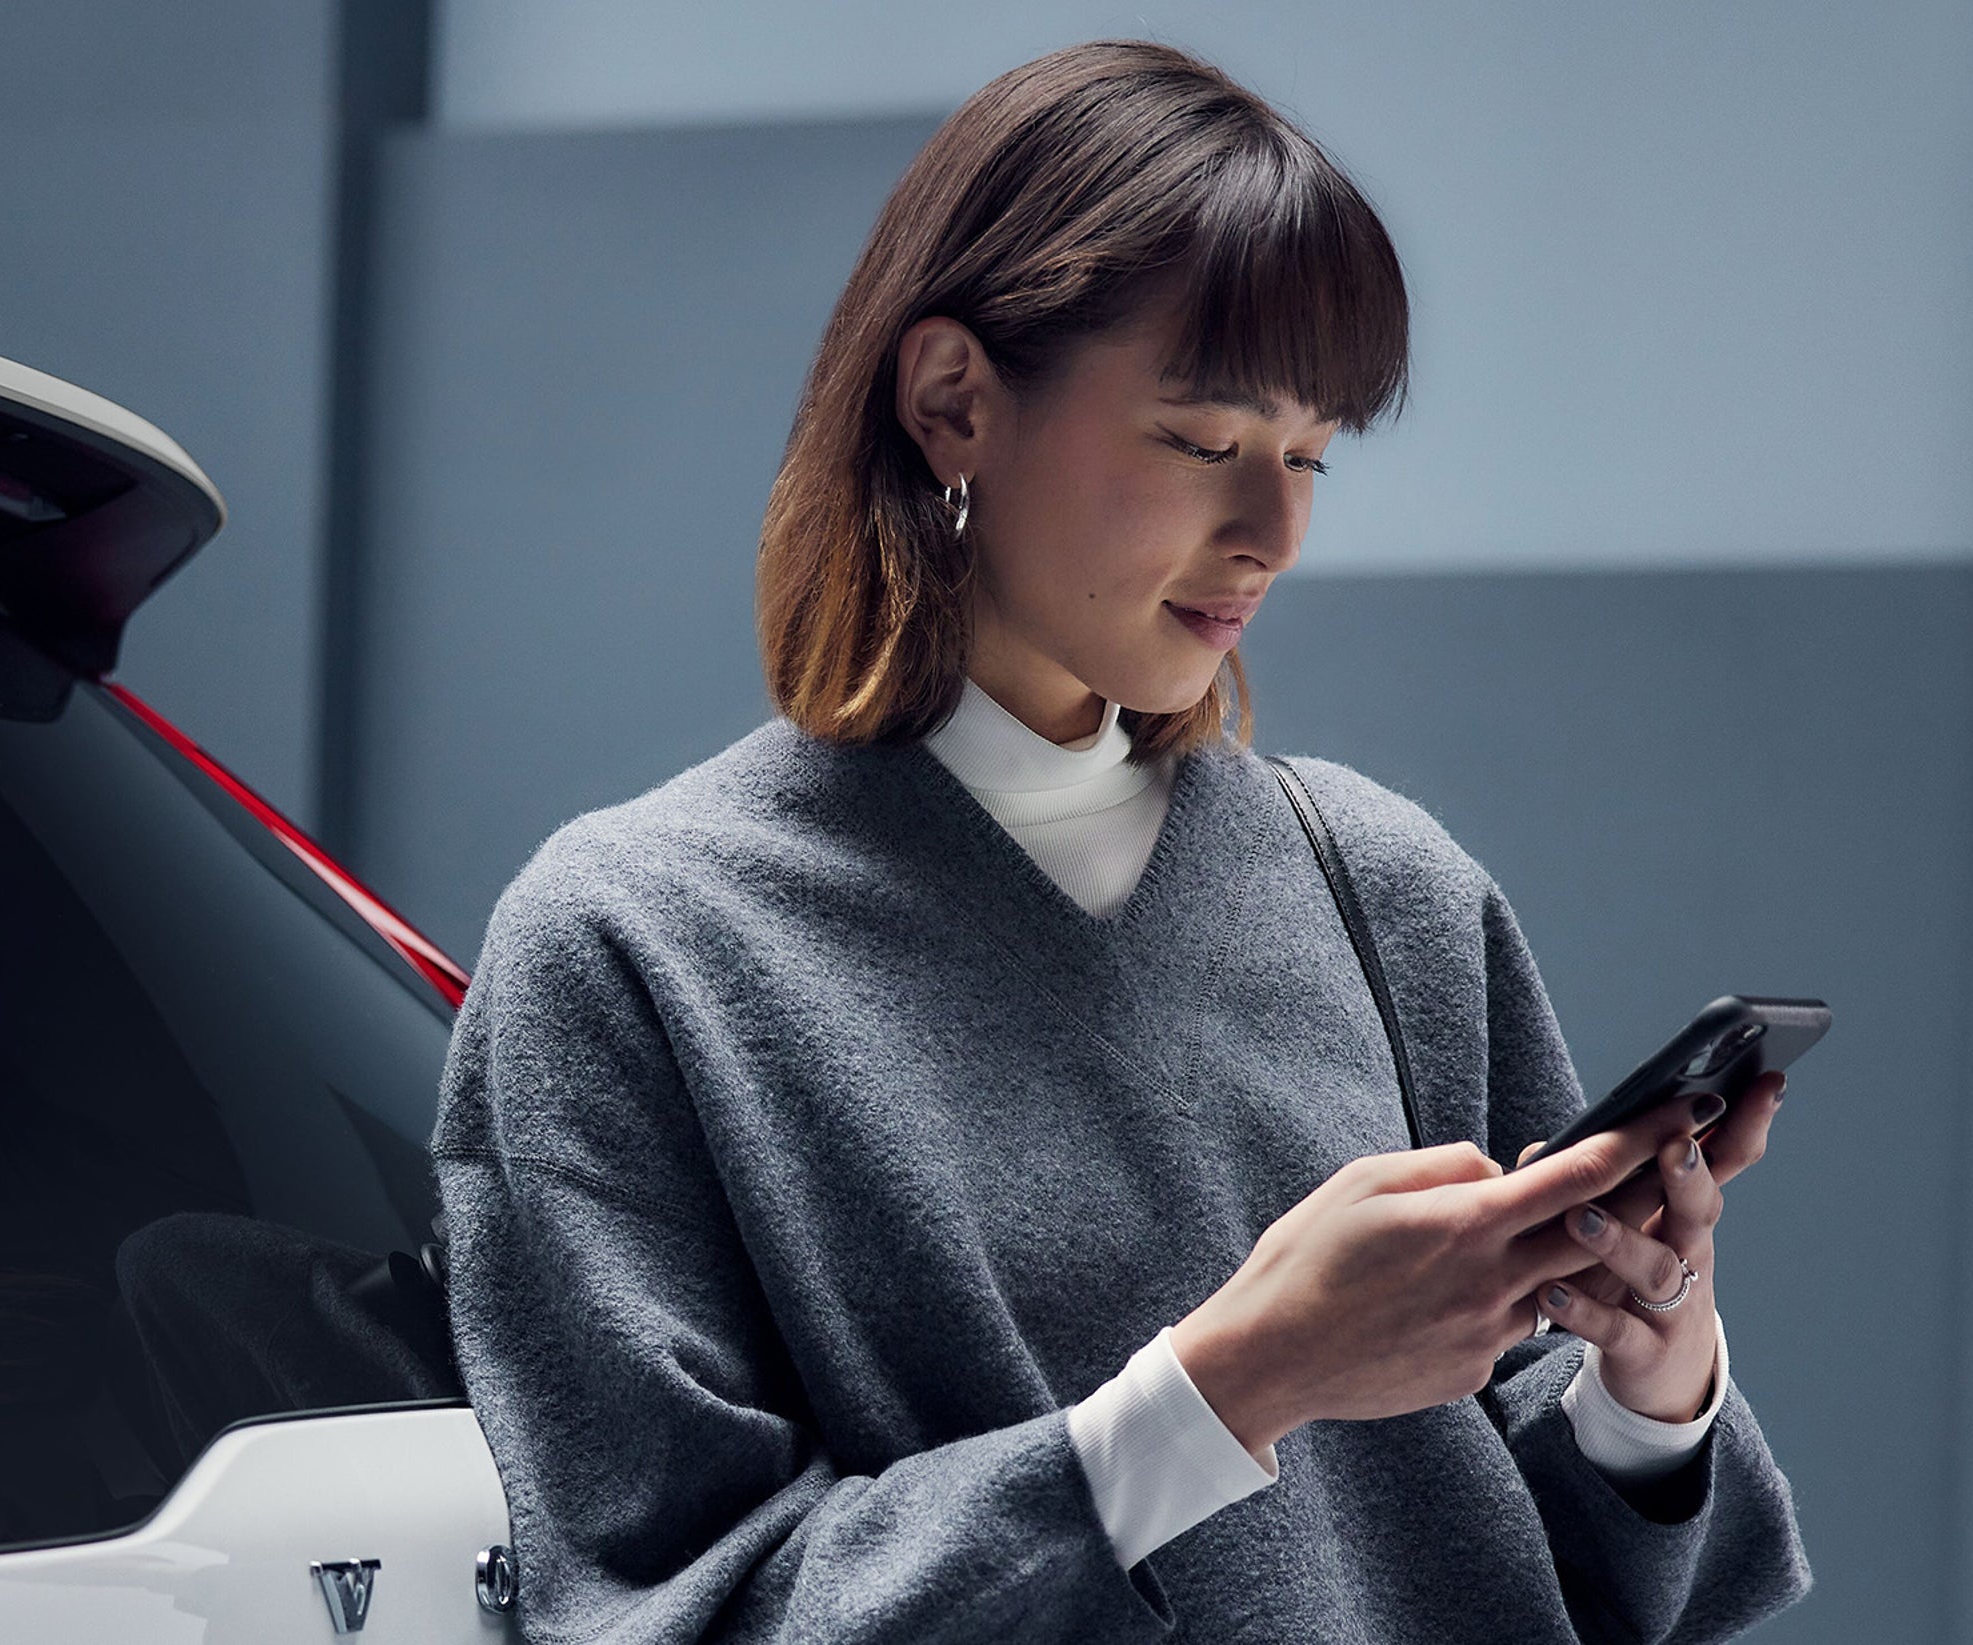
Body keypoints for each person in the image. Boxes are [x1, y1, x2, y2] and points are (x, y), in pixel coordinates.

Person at [431, 40, 1812, 1644]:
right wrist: (1237, 1379)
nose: (1276, 533)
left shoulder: (1388, 890)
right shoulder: (637, 949)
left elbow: (1587, 1575)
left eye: (1311, 453)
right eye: (1206, 439)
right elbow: (664, 1608)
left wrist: (1651, 1365)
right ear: (954, 398)